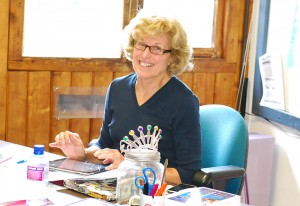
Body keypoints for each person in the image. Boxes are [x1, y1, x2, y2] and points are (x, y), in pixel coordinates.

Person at [49, 10, 202, 185]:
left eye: (157, 48)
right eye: (141, 44)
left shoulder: (184, 101)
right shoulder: (117, 88)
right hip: (118, 186)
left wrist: (130, 166)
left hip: (158, 193)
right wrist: (82, 154)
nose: (145, 55)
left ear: (172, 57)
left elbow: (189, 174)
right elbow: (104, 145)